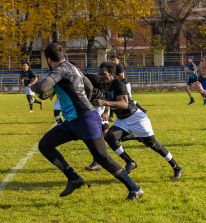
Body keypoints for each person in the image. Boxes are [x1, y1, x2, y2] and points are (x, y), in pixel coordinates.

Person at [31, 43, 144, 201]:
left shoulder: (60, 69)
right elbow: (88, 86)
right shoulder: (72, 67)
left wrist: (33, 86)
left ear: (49, 59)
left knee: (103, 158)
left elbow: (42, 87)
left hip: (84, 119)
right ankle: (73, 178)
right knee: (45, 144)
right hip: (73, 121)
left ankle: (135, 189)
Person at [92, 61, 184, 179]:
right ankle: (130, 161)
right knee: (109, 137)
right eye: (99, 74)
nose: (100, 77)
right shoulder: (103, 85)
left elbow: (124, 104)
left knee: (154, 145)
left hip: (136, 117)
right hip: (122, 120)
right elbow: (109, 97)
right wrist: (106, 110)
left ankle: (177, 168)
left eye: (103, 74)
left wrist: (104, 103)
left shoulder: (118, 84)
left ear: (111, 73)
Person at [109, 55, 147, 121]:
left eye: (114, 60)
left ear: (118, 60)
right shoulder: (114, 67)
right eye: (112, 60)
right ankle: (111, 116)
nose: (113, 61)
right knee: (113, 98)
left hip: (124, 85)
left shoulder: (119, 66)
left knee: (129, 101)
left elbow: (122, 76)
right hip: (120, 85)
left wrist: (113, 80)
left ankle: (141, 110)